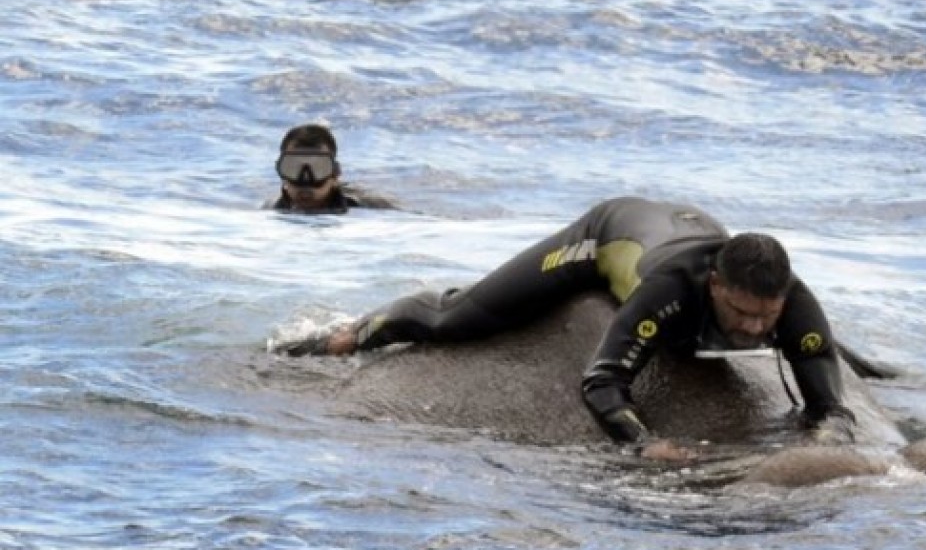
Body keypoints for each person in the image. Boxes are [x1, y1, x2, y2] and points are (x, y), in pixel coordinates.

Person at [281, 196, 855, 460]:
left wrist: (828, 439)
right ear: (714, 288)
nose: (755, 330)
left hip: (693, 224)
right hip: (611, 235)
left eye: (767, 319)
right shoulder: (669, 292)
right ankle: (356, 331)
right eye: (741, 314)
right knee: (456, 321)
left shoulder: (791, 302)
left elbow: (830, 406)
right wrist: (643, 443)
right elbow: (601, 382)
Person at [270, 123, 399, 213]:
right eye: (294, 168)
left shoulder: (372, 208)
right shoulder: (271, 209)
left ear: (335, 174)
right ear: (281, 172)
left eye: (319, 168)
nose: (306, 181)